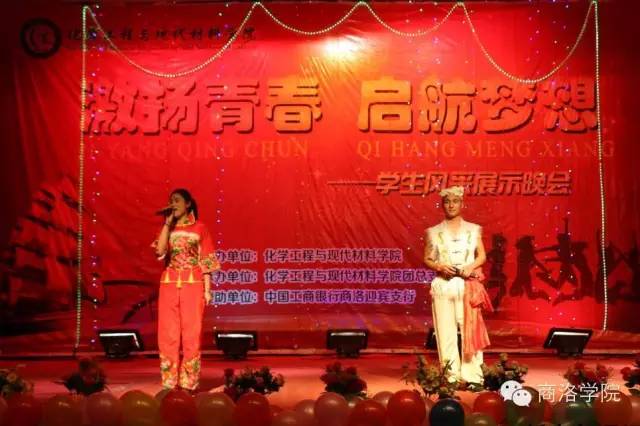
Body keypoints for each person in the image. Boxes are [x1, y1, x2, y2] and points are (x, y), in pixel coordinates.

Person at [152, 188, 220, 390]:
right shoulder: (167, 229)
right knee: (168, 334)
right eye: (171, 201)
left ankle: (189, 383)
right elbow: (159, 251)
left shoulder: (200, 228)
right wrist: (167, 223)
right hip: (169, 284)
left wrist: (207, 290)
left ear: (188, 203)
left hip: (193, 284)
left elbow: (206, 260)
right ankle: (169, 382)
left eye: (177, 200)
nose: (173, 204)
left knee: (191, 333)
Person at [424, 185, 491, 384]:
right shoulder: (433, 232)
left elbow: (482, 256)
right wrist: (439, 266)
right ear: (442, 205)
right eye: (447, 202)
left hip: (467, 286)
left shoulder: (474, 229)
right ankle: (450, 376)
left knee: (470, 329)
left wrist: (470, 267)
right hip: (443, 286)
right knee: (445, 333)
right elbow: (427, 258)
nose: (451, 205)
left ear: (462, 204)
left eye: (455, 201)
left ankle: (474, 376)